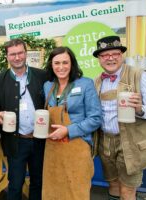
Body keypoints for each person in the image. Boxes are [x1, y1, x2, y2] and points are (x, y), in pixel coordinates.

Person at [93, 35, 146, 200]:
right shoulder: (97, 81)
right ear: (99, 59)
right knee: (112, 184)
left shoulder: (140, 76)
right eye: (105, 55)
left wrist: (140, 109)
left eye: (115, 54)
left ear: (122, 55)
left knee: (127, 190)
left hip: (130, 142)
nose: (110, 58)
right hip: (106, 142)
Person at [42, 46, 102, 200]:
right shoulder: (48, 86)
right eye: (56, 63)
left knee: (76, 193)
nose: (61, 67)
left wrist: (69, 130)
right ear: (51, 65)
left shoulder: (85, 84)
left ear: (72, 64)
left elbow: (95, 118)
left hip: (77, 147)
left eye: (65, 62)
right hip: (53, 149)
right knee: (53, 192)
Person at [0, 38, 47, 200]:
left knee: (38, 182)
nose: (17, 57)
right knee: (15, 184)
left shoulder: (41, 75)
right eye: (13, 54)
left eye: (20, 53)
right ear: (7, 56)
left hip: (40, 140)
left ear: (26, 53)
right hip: (15, 141)